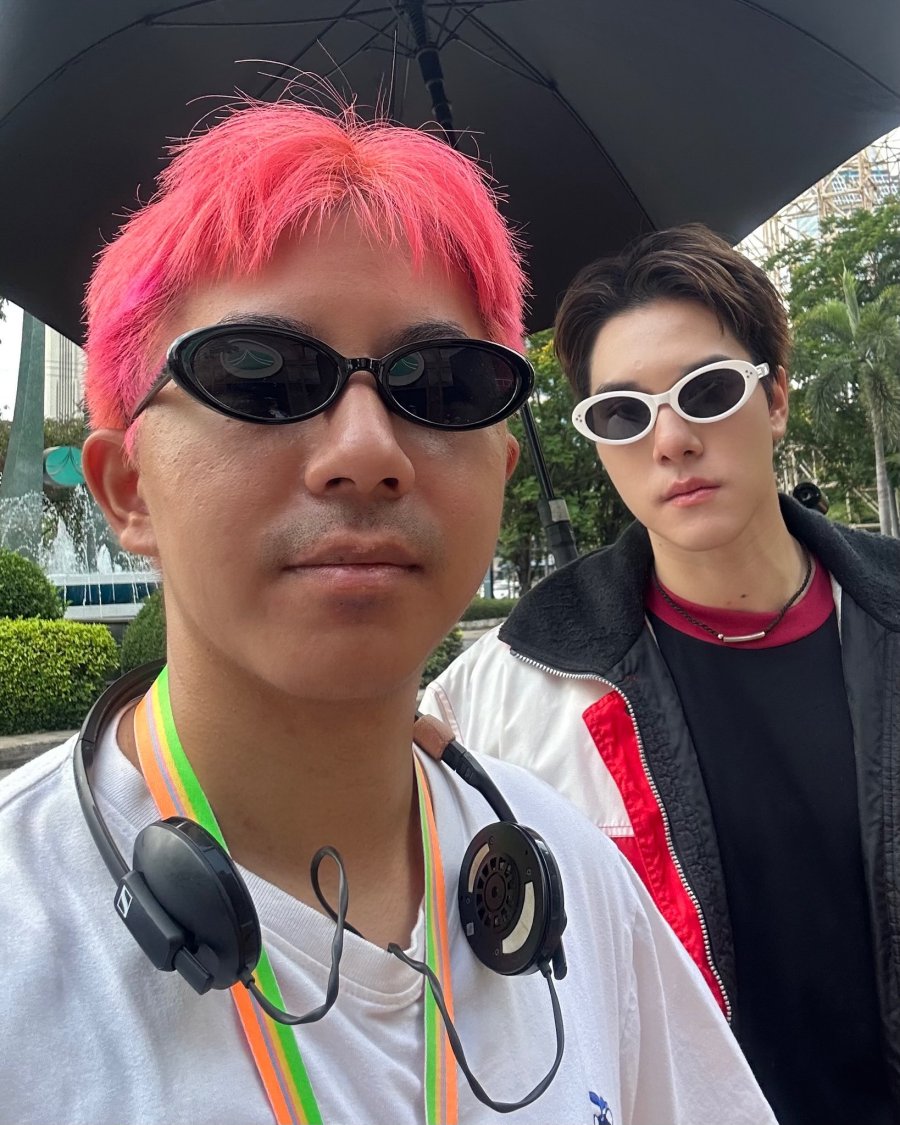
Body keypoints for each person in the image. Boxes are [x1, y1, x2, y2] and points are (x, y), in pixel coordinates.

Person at [0, 110, 774, 1125]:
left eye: (442, 387)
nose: (367, 451)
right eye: (262, 376)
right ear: (126, 487)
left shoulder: (575, 876)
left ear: (501, 471)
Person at [422, 223, 900, 1125]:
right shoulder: (504, 696)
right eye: (623, 413)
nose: (671, 440)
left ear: (775, 399)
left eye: (707, 391)